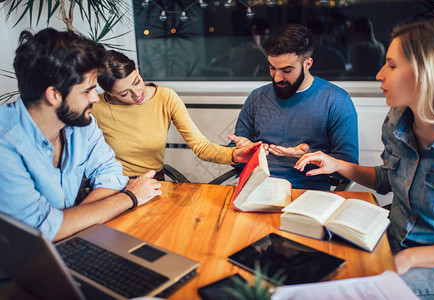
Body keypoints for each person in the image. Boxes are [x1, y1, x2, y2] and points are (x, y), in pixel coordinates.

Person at [295, 19, 434, 299]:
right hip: (388, 241)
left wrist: (412, 258)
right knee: (308, 260)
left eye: (391, 65)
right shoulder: (396, 121)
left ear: (426, 72)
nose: (380, 74)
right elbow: (388, 179)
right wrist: (339, 165)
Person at [0, 28, 162, 242]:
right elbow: (42, 231)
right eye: (87, 91)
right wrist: (130, 197)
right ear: (54, 95)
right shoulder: (5, 145)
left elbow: (110, 173)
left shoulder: (79, 123)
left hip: (61, 248)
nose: (95, 99)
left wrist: (71, 222)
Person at [228, 24, 359, 190]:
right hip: (256, 188)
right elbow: (234, 155)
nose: (277, 78)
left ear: (308, 63)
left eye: (286, 70)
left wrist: (311, 158)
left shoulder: (336, 100)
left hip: (306, 192)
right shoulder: (257, 97)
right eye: (272, 68)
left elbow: (350, 166)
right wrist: (243, 153)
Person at [92, 50, 259, 179]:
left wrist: (234, 155)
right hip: (112, 186)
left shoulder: (166, 97)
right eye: (124, 93)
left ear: (137, 69)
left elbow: (201, 147)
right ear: (109, 93)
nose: (137, 93)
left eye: (137, 82)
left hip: (153, 183)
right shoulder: (94, 107)